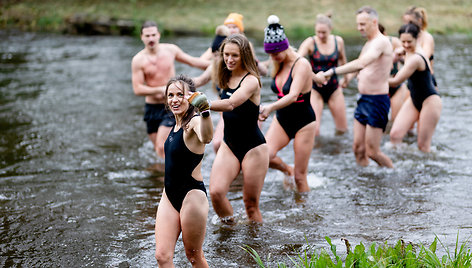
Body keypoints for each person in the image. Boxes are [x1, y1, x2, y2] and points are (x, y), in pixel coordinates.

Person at [316, 6, 394, 168]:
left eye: (363, 24)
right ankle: (366, 182)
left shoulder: (381, 42)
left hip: (377, 101)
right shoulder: (369, 43)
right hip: (363, 99)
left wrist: (332, 72)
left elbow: (362, 62)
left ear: (374, 22)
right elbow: (359, 67)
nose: (359, 28)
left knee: (373, 152)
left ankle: (393, 175)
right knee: (358, 149)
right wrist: (348, 79)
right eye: (358, 24)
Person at [208, 34, 269, 223]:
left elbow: (231, 104)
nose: (229, 59)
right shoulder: (224, 75)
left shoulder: (251, 80)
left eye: (234, 55)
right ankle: (229, 232)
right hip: (229, 145)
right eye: (226, 55)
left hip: (253, 148)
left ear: (244, 56)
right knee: (216, 193)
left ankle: (255, 247)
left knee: (250, 205)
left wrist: (200, 103)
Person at [154, 75, 213, 267]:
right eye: (170, 95)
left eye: (180, 94)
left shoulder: (194, 122)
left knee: (194, 256)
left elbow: (206, 137)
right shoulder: (176, 123)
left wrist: (205, 112)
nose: (175, 99)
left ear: (191, 97)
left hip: (192, 196)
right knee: (162, 256)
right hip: (169, 195)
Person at [131, 21, 210, 161]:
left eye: (153, 35)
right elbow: (137, 89)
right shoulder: (138, 60)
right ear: (142, 37)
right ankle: (165, 174)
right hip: (151, 108)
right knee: (159, 150)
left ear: (159, 35)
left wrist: (219, 66)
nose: (151, 39)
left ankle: (167, 180)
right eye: (147, 35)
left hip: (171, 106)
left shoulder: (170, 50)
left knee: (162, 148)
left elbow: (193, 61)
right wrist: (161, 89)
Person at [259, 15, 316, 192]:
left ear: (284, 47)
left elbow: (292, 96)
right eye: (270, 54)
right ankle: (286, 170)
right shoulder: (278, 63)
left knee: (300, 177)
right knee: (264, 157)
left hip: (304, 122)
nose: (273, 57)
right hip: (283, 119)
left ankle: (304, 215)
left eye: (275, 53)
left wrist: (269, 107)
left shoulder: (301, 64)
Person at [388, 23, 441, 152]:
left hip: (430, 100)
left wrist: (374, 79)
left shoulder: (417, 57)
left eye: (409, 42)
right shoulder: (407, 53)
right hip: (414, 99)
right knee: (395, 136)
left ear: (417, 39)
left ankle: (426, 168)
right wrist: (397, 57)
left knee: (423, 146)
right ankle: (403, 162)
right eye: (403, 41)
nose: (405, 45)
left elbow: (396, 81)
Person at [298, 13, 348, 137]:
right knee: (314, 131)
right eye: (318, 32)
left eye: (324, 32)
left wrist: (346, 79)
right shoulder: (310, 42)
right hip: (316, 90)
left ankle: (339, 153)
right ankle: (316, 155)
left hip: (334, 88)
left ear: (330, 29)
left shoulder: (338, 41)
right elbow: (297, 61)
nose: (320, 35)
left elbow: (343, 61)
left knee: (342, 130)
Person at [194, 25, 230, 153]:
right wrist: (180, 83)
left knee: (221, 144)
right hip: (225, 114)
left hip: (243, 113)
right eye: (214, 55)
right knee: (217, 145)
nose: (215, 58)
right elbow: (199, 80)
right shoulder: (213, 67)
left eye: (218, 55)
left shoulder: (234, 68)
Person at [379, 23, 409, 122]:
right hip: (380, 87)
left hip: (396, 85)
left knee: (395, 121)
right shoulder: (371, 45)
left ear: (385, 34)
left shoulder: (394, 41)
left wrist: (399, 57)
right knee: (380, 121)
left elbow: (407, 60)